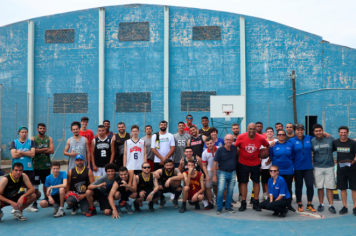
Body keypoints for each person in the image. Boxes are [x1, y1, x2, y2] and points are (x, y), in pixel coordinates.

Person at [234, 123, 270, 211]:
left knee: (256, 182)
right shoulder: (241, 137)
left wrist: (265, 154)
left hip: (256, 163)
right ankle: (243, 203)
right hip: (243, 163)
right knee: (243, 183)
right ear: (247, 128)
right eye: (250, 129)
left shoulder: (260, 138)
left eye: (254, 129)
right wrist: (237, 153)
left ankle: (256, 202)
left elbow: (267, 145)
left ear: (256, 130)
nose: (252, 131)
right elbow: (234, 147)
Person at [289, 123, 316, 212]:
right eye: (298, 130)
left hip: (308, 167)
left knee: (310, 185)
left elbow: (319, 138)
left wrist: (326, 134)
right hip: (297, 167)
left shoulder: (309, 138)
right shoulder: (291, 141)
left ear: (303, 130)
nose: (300, 131)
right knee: (299, 186)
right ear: (295, 131)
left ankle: (309, 204)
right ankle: (299, 203)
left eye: (301, 129)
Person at [311, 124, 336, 213]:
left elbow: (335, 148)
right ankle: (321, 204)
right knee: (320, 187)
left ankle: (331, 205)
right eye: (316, 131)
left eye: (320, 130)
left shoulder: (330, 138)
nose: (318, 132)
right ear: (314, 132)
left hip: (329, 166)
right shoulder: (312, 141)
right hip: (318, 167)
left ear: (322, 130)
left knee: (329, 187)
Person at [29, 123, 54, 212]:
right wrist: (44, 150)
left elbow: (51, 150)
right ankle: (34, 202)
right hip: (36, 166)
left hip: (46, 165)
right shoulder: (33, 139)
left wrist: (38, 150)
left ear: (45, 129)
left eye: (44, 128)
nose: (42, 130)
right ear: (37, 129)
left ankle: (46, 198)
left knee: (46, 184)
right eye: (40, 128)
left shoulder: (49, 139)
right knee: (35, 185)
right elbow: (32, 151)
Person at [269, 129, 295, 212]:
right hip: (278, 171)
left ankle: (289, 205)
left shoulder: (290, 145)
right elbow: (272, 157)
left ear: (285, 135)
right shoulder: (273, 146)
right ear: (277, 136)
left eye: (283, 134)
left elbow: (293, 156)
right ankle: (278, 204)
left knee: (288, 187)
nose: (281, 136)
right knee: (277, 188)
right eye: (279, 134)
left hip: (288, 170)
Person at [333, 126, 356, 215]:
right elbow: (330, 150)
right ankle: (344, 207)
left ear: (347, 133)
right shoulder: (335, 142)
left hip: (352, 169)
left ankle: (355, 207)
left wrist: (354, 161)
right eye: (341, 132)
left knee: (354, 189)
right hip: (341, 170)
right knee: (343, 188)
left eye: (345, 132)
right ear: (339, 133)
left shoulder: (353, 143)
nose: (343, 134)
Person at [213, 134, 236, 215]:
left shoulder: (234, 148)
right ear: (224, 140)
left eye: (230, 140)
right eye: (227, 140)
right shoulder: (220, 150)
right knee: (221, 190)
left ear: (233, 141)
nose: (229, 141)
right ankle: (219, 208)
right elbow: (215, 162)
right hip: (222, 172)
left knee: (230, 190)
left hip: (232, 172)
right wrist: (215, 175)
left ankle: (228, 207)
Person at [260, 127, 277, 201]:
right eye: (268, 131)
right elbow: (259, 154)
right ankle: (267, 195)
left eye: (271, 131)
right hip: (264, 165)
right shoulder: (262, 142)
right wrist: (259, 165)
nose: (269, 133)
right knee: (265, 182)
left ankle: (274, 194)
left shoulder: (276, 141)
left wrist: (270, 159)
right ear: (265, 133)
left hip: (274, 165)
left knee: (274, 181)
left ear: (273, 133)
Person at [201, 137, 216, 210]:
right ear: (205, 145)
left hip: (219, 170)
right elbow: (204, 165)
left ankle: (220, 201)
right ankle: (210, 202)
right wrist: (206, 175)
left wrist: (216, 168)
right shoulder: (204, 153)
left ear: (213, 142)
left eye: (211, 143)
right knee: (207, 186)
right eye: (207, 144)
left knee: (217, 186)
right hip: (209, 171)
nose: (209, 145)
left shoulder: (219, 150)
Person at [232, 123, 241, 201]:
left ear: (239, 129)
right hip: (232, 162)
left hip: (242, 162)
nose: (235, 130)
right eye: (234, 128)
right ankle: (230, 197)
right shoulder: (229, 139)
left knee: (241, 180)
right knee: (231, 181)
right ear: (232, 129)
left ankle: (241, 195)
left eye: (237, 128)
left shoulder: (242, 138)